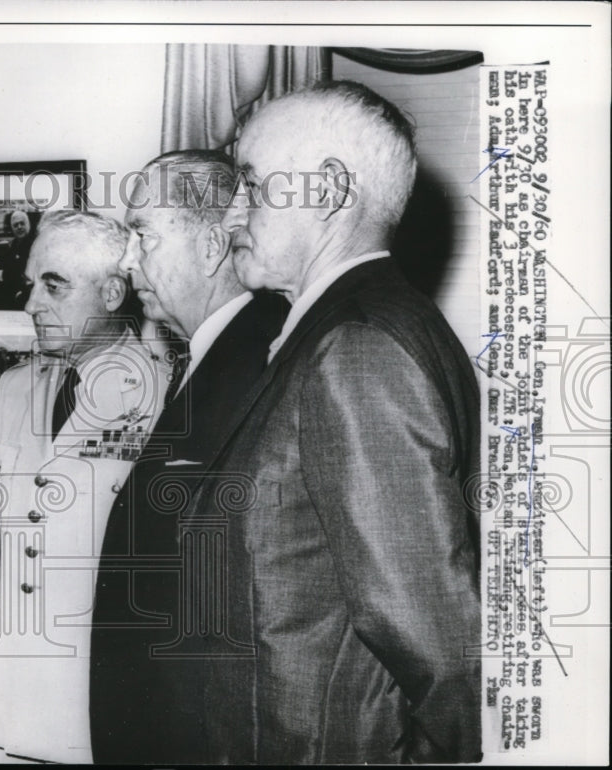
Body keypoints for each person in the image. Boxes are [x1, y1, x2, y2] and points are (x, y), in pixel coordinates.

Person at [191, 81, 481, 763]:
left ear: (325, 192)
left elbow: (442, 645)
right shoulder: (363, 323)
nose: (233, 215)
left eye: (253, 186)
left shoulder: (357, 348)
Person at [89, 150, 290, 764]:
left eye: (142, 233)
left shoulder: (264, 359)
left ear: (210, 247)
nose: (128, 260)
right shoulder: (215, 354)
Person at [0, 210, 170, 764]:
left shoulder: (166, 394)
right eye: (31, 285)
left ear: (113, 292)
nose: (32, 303)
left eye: (53, 285)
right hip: (15, 697)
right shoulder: (14, 387)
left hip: (104, 700)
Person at [0, 210, 35, 310]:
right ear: (12, 228)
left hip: (24, 292)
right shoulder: (16, 242)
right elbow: (8, 258)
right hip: (15, 287)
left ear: (27, 224)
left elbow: (18, 272)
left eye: (22, 223)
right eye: (15, 225)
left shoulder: (31, 244)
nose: (19, 227)